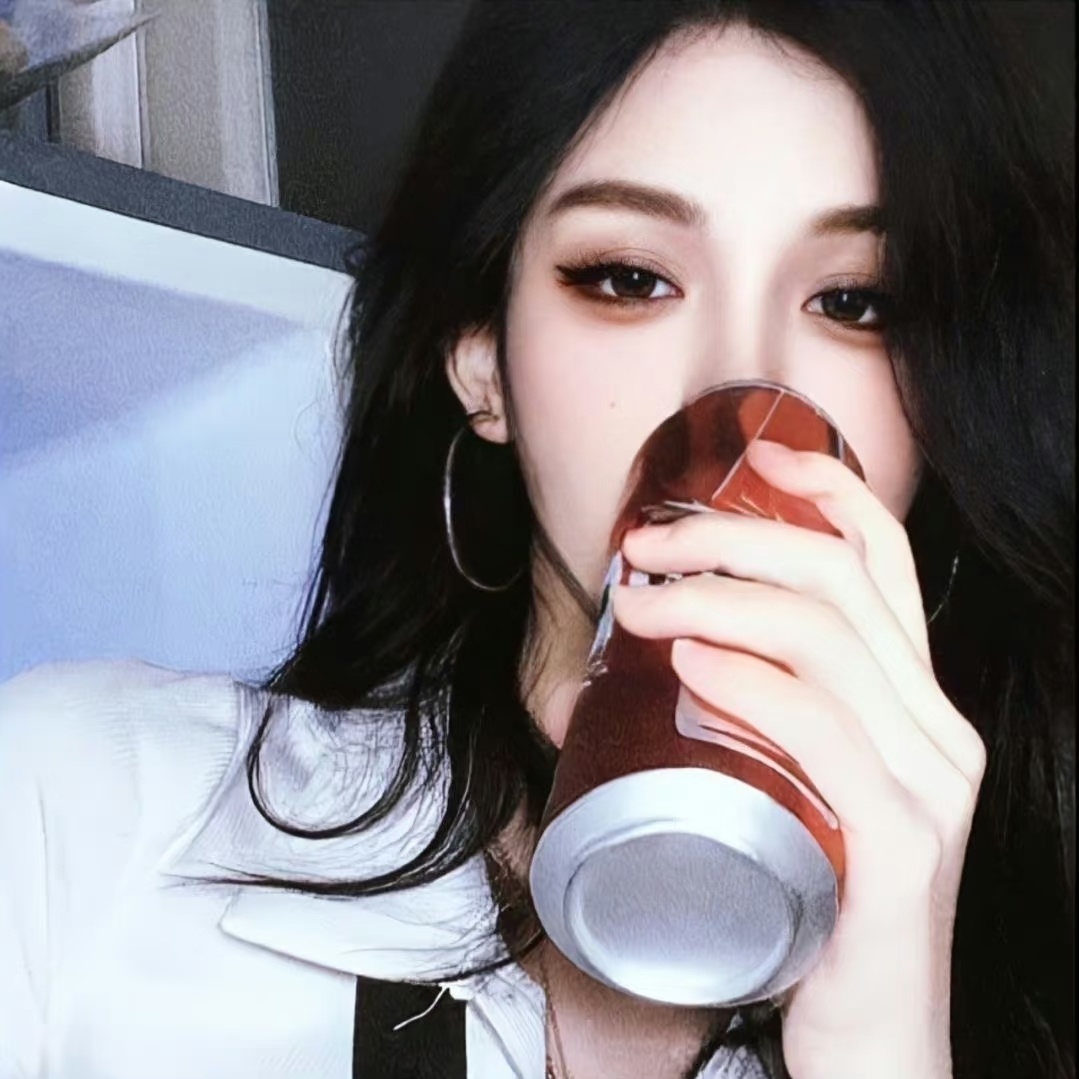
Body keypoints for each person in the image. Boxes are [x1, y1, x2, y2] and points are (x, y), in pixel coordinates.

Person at [1, 2, 1073, 1077]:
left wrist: (883, 1042)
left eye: (853, 300)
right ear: (481, 359)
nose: (737, 392)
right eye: (629, 278)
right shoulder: (78, 812)